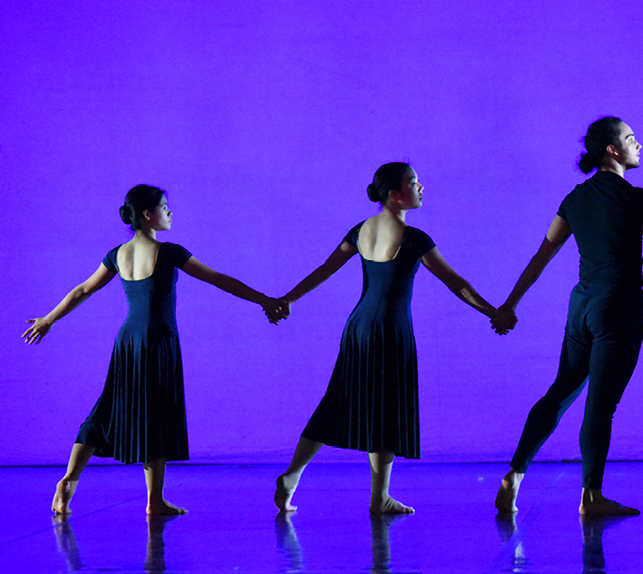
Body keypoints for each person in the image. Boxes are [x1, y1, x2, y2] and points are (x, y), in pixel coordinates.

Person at [494, 117, 643, 517]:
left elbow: (541, 256)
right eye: (631, 139)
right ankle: (591, 496)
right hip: (619, 307)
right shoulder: (636, 199)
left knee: (561, 390)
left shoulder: (574, 200)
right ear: (612, 150)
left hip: (582, 307)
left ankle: (514, 474)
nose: (638, 144)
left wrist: (511, 304)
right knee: (600, 405)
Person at [26, 185, 284, 516]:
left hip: (128, 341)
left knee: (106, 410)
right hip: (158, 341)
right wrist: (265, 300)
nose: (170, 212)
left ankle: (70, 482)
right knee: (157, 414)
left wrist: (50, 319)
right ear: (148, 214)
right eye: (164, 206)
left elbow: (81, 291)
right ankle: (154, 500)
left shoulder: (118, 254)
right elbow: (220, 279)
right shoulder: (170, 252)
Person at [274, 162, 513, 514]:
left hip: (358, 327)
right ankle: (379, 496)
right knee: (384, 409)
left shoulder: (360, 230)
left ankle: (293, 475)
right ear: (394, 193)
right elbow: (456, 283)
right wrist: (494, 311)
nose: (421, 188)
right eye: (414, 182)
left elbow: (324, 270)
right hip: (390, 329)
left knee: (336, 401)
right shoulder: (414, 238)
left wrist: (289, 298)